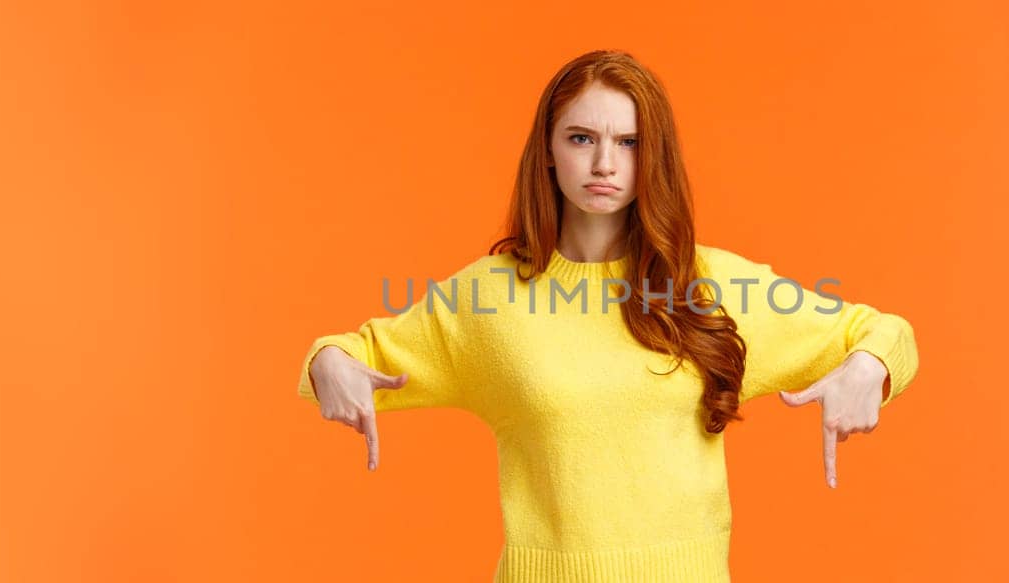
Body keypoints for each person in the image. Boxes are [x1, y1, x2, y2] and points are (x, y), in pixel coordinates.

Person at [296, 49, 919, 582]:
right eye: (581, 138)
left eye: (628, 142)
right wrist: (329, 364)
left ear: (655, 157)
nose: (604, 164)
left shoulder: (711, 284)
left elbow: (885, 333)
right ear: (547, 149)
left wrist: (868, 368)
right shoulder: (487, 298)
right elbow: (349, 352)